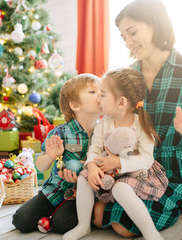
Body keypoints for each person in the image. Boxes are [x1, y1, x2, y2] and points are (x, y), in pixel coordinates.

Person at [91, 0, 182, 238]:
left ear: (156, 25)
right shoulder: (126, 77)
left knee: (121, 226)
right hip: (134, 167)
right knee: (96, 216)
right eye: (123, 37)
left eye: (133, 32)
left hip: (175, 171)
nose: (128, 42)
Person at [63, 68, 169, 240]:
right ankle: (83, 226)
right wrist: (91, 166)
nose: (98, 98)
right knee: (84, 178)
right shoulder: (104, 124)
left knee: (121, 188)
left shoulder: (140, 123)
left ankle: (151, 234)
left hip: (135, 172)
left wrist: (119, 163)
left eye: (103, 95)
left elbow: (147, 159)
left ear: (121, 102)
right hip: (107, 171)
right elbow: (95, 149)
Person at [12, 73, 101, 233]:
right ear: (75, 105)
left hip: (83, 195)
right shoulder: (61, 132)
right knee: (21, 220)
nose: (100, 94)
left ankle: (55, 218)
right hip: (56, 190)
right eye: (92, 92)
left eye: (101, 90)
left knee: (62, 224)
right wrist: (50, 156)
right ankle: (51, 215)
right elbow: (40, 167)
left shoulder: (105, 131)